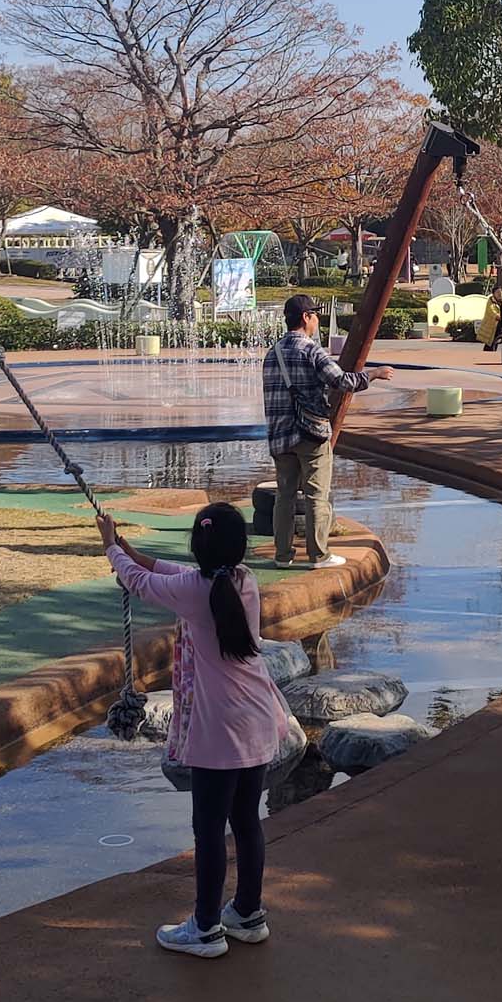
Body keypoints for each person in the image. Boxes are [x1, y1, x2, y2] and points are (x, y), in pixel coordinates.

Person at [97, 503, 287, 958]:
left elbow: (141, 584)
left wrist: (109, 548)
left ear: (199, 548)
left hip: (217, 730)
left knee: (208, 830)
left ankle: (204, 928)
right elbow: (167, 572)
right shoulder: (241, 581)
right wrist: (130, 550)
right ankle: (247, 912)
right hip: (257, 718)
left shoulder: (195, 589)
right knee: (245, 821)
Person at [263, 294, 393, 568]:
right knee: (315, 495)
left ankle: (282, 555)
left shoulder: (271, 354)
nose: (317, 319)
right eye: (315, 314)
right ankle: (318, 555)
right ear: (305, 318)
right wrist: (374, 374)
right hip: (311, 433)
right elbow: (341, 381)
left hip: (279, 436)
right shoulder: (311, 350)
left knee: (284, 497)